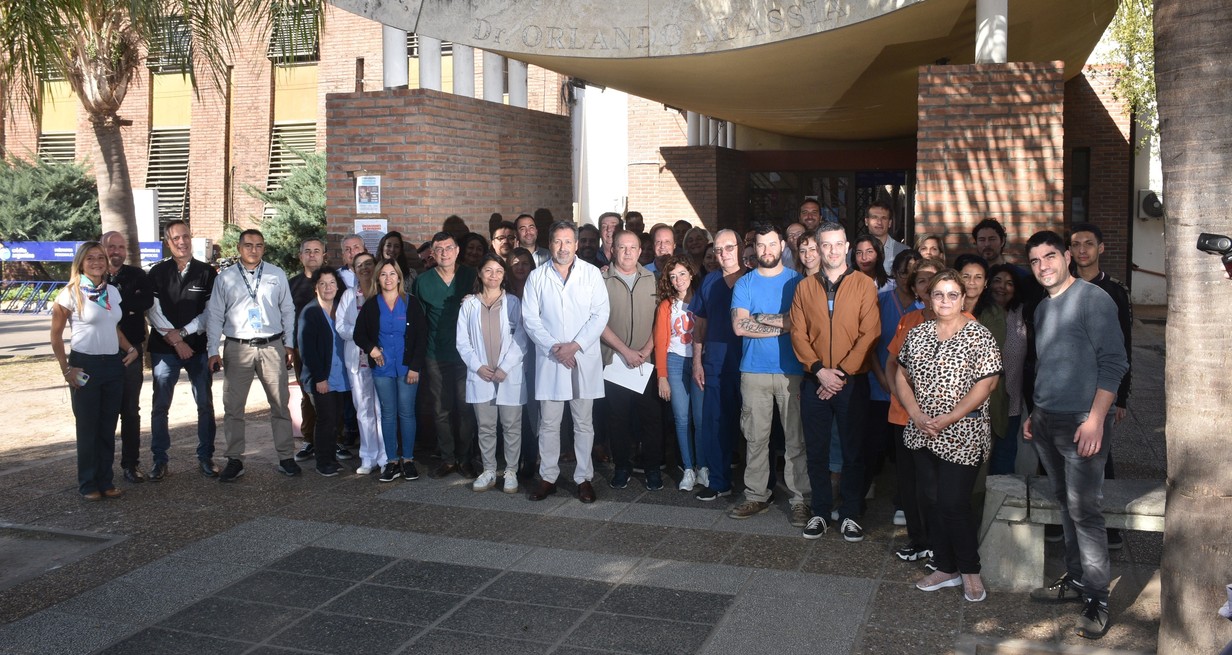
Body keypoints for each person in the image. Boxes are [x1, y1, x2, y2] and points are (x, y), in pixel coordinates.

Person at [1024, 230, 1128, 640]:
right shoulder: (1042, 307)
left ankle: (1097, 598)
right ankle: (1077, 578)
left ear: (1067, 256)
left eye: (1050, 256)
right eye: (1035, 261)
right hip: (1046, 419)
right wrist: (1036, 411)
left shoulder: (1093, 299)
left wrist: (1096, 419)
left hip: (1082, 421)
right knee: (1066, 505)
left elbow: (1114, 363)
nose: (1043, 266)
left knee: (1085, 510)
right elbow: (1047, 363)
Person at [896, 270, 1002, 604]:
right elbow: (901, 374)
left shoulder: (978, 335)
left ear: (963, 298)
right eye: (938, 294)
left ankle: (970, 570)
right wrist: (915, 414)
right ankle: (945, 567)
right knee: (930, 499)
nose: (945, 300)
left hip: (963, 432)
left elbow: (987, 383)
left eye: (952, 294)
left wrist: (950, 417)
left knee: (953, 502)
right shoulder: (918, 334)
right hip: (923, 431)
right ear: (929, 298)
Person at [789, 221, 880, 542]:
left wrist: (839, 374)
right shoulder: (804, 287)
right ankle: (820, 512)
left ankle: (851, 513)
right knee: (817, 451)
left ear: (847, 247)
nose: (832, 250)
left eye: (838, 244)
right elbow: (797, 333)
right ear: (818, 248)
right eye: (825, 244)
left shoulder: (864, 285)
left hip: (851, 382)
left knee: (853, 451)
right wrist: (819, 371)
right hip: (814, 380)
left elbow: (870, 332)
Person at [727, 223, 810, 527]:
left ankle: (801, 500)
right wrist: (782, 324)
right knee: (755, 438)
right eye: (761, 245)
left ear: (782, 246)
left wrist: (760, 318)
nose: (766, 250)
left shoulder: (798, 281)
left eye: (772, 244)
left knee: (795, 440)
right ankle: (756, 495)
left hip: (792, 371)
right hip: (753, 371)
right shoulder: (745, 283)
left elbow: (800, 323)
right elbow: (739, 326)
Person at [521, 221, 609, 504]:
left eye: (568, 241)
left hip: (582, 355)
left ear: (576, 244)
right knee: (549, 423)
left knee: (583, 422)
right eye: (557, 241)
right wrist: (555, 347)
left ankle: (583, 478)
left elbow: (600, 314)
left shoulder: (591, 274)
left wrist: (575, 346)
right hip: (552, 357)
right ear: (550, 244)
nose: (563, 247)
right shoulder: (537, 277)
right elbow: (530, 319)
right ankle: (548, 477)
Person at [206, 229, 299, 481]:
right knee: (233, 407)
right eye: (248, 245)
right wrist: (213, 350)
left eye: (258, 245)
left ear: (264, 248)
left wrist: (289, 344)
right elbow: (215, 315)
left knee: (280, 404)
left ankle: (286, 457)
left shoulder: (276, 274)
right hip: (238, 347)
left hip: (272, 345)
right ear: (239, 248)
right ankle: (235, 459)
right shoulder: (225, 278)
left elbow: (287, 310)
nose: (253, 250)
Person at [51, 242, 141, 500]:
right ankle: (88, 484)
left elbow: (113, 327)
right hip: (85, 366)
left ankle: (106, 481)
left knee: (107, 427)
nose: (96, 262)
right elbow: (55, 336)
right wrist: (66, 369)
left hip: (112, 365)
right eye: (90, 258)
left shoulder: (111, 292)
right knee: (88, 427)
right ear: (81, 263)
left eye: (100, 257)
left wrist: (130, 348)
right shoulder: (70, 293)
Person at [1068, 222, 1133, 550]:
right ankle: (1062, 521)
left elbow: (1125, 346)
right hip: (1066, 387)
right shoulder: (1061, 286)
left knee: (1099, 456)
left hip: (1102, 389)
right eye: (1076, 244)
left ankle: (1109, 526)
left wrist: (1121, 397)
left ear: (1101, 248)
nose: (1082, 250)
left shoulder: (1115, 291)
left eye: (1089, 244)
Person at [146, 220, 219, 478]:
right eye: (176, 238)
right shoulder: (156, 272)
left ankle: (206, 457)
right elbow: (152, 311)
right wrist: (176, 341)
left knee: (205, 405)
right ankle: (159, 460)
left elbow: (210, 312)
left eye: (185, 236)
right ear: (168, 242)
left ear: (191, 237)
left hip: (197, 349)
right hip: (164, 349)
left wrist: (185, 334)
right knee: (160, 406)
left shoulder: (207, 272)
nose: (182, 242)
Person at [884, 258, 945, 565]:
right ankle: (918, 540)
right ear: (916, 289)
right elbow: (891, 364)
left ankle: (938, 543)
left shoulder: (964, 321)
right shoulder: (908, 321)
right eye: (921, 281)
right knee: (909, 483)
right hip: (904, 415)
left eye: (934, 279)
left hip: (940, 421)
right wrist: (903, 398)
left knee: (934, 485)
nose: (928, 286)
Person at [456, 254, 528, 493]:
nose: (493, 275)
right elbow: (462, 342)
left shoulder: (514, 303)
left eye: (498, 271)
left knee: (511, 426)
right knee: (485, 426)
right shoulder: (469, 305)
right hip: (482, 375)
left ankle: (511, 471)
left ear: (504, 274)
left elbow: (522, 338)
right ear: (479, 273)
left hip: (508, 374)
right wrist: (477, 366)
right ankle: (488, 470)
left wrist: (505, 367)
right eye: (488, 270)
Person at [354, 258, 429, 482]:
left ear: (399, 278)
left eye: (392, 274)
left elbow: (421, 337)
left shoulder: (411, 303)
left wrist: (415, 367)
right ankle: (392, 461)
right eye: (384, 274)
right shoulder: (371, 305)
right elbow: (359, 334)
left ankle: (408, 460)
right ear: (378, 278)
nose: (388, 278)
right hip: (382, 368)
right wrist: (372, 349)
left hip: (407, 368)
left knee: (406, 413)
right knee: (387, 414)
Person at [600, 230, 663, 490]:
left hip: (646, 362)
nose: (627, 252)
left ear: (640, 251)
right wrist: (625, 351)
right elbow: (597, 321)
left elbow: (662, 319)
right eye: (622, 247)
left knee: (651, 418)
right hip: (614, 361)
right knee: (618, 418)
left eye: (632, 247)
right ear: (613, 250)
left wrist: (646, 350)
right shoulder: (600, 280)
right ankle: (622, 467)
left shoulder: (654, 279)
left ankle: (652, 469)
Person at [413, 232, 479, 479]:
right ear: (432, 253)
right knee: (441, 409)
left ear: (457, 250)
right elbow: (418, 321)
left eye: (449, 248)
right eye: (438, 249)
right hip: (435, 353)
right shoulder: (423, 281)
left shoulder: (471, 276)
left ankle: (465, 458)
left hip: (466, 354)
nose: (444, 253)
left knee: (465, 407)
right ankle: (448, 458)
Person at [690, 229, 745, 501]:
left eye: (729, 247)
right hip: (715, 363)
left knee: (755, 428)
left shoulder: (753, 279)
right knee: (715, 423)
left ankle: (762, 486)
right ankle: (719, 481)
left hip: (749, 363)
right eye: (719, 250)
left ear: (741, 248)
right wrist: (697, 362)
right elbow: (700, 325)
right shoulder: (709, 282)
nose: (724, 254)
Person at [871, 250, 924, 524]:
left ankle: (903, 501)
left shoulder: (925, 306)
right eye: (903, 272)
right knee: (875, 443)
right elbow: (870, 343)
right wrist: (882, 378)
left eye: (913, 273)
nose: (907, 278)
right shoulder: (881, 301)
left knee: (905, 451)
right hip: (878, 383)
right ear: (895, 274)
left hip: (912, 395)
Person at [100, 231, 154, 484]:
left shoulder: (137, 275)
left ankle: (131, 464)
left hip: (131, 351)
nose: (117, 251)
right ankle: (102, 467)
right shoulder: (93, 274)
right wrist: (127, 306)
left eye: (121, 247)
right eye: (112, 246)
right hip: (102, 352)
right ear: (102, 247)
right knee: (105, 411)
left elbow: (145, 302)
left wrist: (116, 305)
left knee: (130, 410)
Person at [655, 255, 704, 491]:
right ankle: (688, 468)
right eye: (673, 277)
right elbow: (660, 342)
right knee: (681, 418)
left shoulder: (702, 300)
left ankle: (703, 466)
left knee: (701, 418)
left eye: (682, 274)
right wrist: (662, 376)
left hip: (699, 362)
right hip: (674, 361)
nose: (678, 280)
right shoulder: (667, 305)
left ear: (691, 274)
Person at [335, 252, 386, 475]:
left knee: (382, 409)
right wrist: (362, 335)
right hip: (358, 360)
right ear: (354, 270)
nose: (364, 268)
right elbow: (341, 326)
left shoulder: (384, 292)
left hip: (382, 359)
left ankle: (386, 456)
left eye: (368, 264)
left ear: (375, 266)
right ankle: (368, 456)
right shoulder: (348, 295)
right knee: (363, 409)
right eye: (359, 265)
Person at [296, 267, 350, 477]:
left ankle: (331, 459)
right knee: (326, 419)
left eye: (332, 283)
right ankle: (323, 462)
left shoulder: (340, 308)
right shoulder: (310, 312)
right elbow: (307, 350)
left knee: (336, 419)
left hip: (340, 375)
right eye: (323, 284)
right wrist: (319, 378)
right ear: (315, 287)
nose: (328, 288)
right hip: (321, 377)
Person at [986, 263, 1028, 476]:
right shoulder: (979, 314)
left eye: (1009, 283)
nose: (1002, 287)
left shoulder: (1021, 314)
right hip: (981, 401)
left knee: (1004, 456)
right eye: (997, 281)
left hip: (1012, 400)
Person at [864, 200, 909, 274]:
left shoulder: (903, 251)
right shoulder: (855, 252)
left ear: (890, 223)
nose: (879, 222)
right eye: (874, 217)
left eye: (884, 218)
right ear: (866, 221)